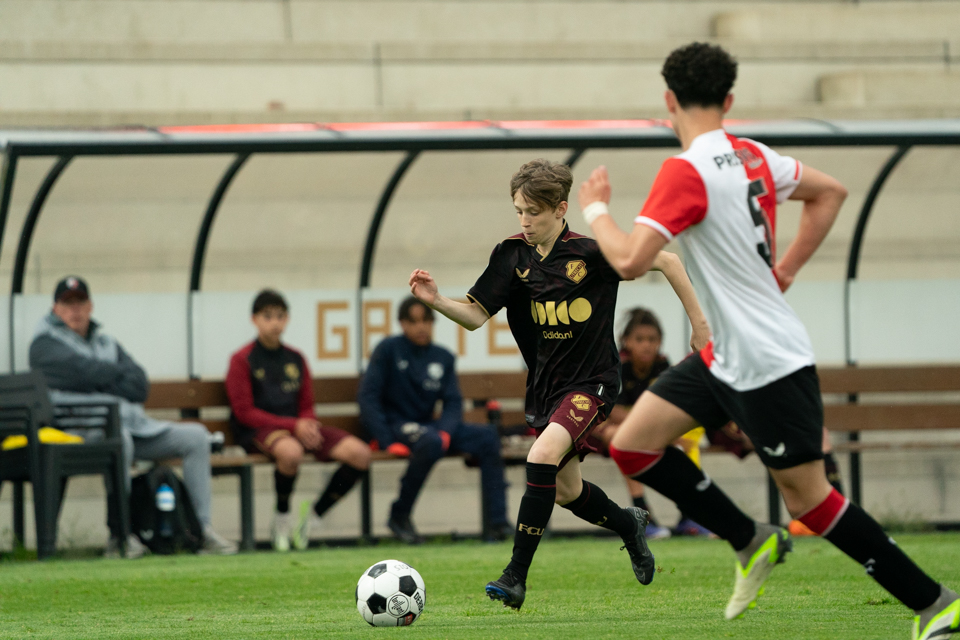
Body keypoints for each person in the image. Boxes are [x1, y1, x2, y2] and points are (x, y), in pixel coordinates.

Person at [580, 42, 958, 638]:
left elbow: (628, 261)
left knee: (810, 502)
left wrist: (597, 208)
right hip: (725, 353)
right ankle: (750, 539)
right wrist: (785, 271)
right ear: (729, 100)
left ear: (668, 101)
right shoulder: (754, 157)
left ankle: (935, 602)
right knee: (633, 446)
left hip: (765, 362)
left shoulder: (688, 170)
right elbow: (830, 192)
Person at [408, 158, 711, 610]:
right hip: (548, 390)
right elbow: (474, 316)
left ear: (561, 209)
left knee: (541, 455)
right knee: (567, 490)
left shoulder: (591, 253)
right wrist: (437, 301)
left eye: (533, 211)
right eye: (518, 211)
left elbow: (666, 259)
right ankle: (629, 525)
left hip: (594, 384)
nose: (525, 221)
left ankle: (515, 576)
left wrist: (700, 326)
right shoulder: (511, 256)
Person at [29, 276, 237, 558]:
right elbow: (76, 372)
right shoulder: (43, 343)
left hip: (134, 425)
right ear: (55, 308)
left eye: (80, 303)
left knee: (196, 437)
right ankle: (121, 536)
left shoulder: (106, 342)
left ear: (90, 306)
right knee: (120, 441)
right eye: (67, 304)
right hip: (82, 431)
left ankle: (201, 531)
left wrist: (92, 376)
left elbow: (138, 385)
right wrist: (110, 376)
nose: (74, 310)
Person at [226, 289, 371, 552]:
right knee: (290, 453)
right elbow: (244, 412)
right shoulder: (242, 359)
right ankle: (282, 516)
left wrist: (309, 424)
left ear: (287, 319)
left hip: (298, 429)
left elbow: (306, 405)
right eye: (267, 316)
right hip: (260, 431)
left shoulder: (296, 358)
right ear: (254, 320)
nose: (275, 323)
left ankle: (313, 517)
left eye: (280, 316)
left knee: (360, 454)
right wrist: (295, 426)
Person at [358, 297, 511, 544]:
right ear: (402, 324)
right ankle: (400, 515)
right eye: (414, 321)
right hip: (398, 425)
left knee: (487, 436)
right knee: (431, 442)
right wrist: (385, 439)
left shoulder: (443, 357)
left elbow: (453, 402)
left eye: (426, 321)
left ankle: (498, 522)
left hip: (431, 427)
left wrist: (446, 431)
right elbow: (368, 397)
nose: (421, 327)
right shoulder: (387, 350)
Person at [590, 307, 713, 539]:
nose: (646, 345)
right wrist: (648, 424)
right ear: (626, 341)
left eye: (652, 339)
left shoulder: (662, 366)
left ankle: (688, 516)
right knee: (623, 439)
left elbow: (672, 408)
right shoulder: (617, 366)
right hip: (598, 429)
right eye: (639, 339)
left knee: (682, 444)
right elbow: (611, 410)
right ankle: (643, 515)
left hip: (640, 430)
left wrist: (663, 429)